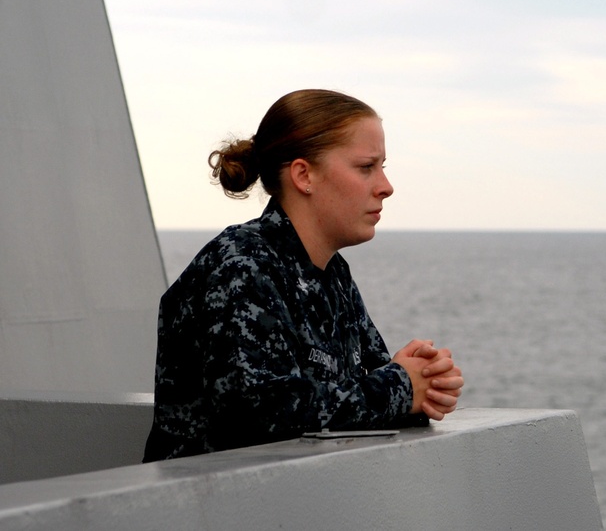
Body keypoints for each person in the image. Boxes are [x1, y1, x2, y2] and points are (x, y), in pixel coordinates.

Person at [143, 89, 463, 461]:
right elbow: (261, 411)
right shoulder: (241, 264)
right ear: (304, 175)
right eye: (366, 167)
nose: (385, 187)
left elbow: (365, 389)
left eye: (383, 167)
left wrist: (423, 380)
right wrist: (401, 386)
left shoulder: (332, 274)